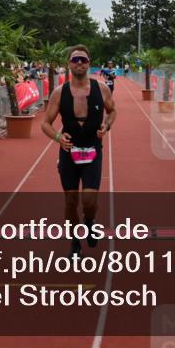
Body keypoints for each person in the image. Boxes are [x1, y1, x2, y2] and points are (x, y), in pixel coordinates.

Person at [41, 45, 116, 257]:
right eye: (75, 60)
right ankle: (75, 241)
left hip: (93, 148)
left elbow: (112, 111)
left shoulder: (102, 89)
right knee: (71, 201)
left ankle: (90, 221)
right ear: (69, 64)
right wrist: (58, 137)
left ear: (89, 63)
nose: (79, 63)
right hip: (69, 151)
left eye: (83, 59)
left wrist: (106, 125)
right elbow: (45, 123)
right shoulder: (59, 93)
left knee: (90, 201)